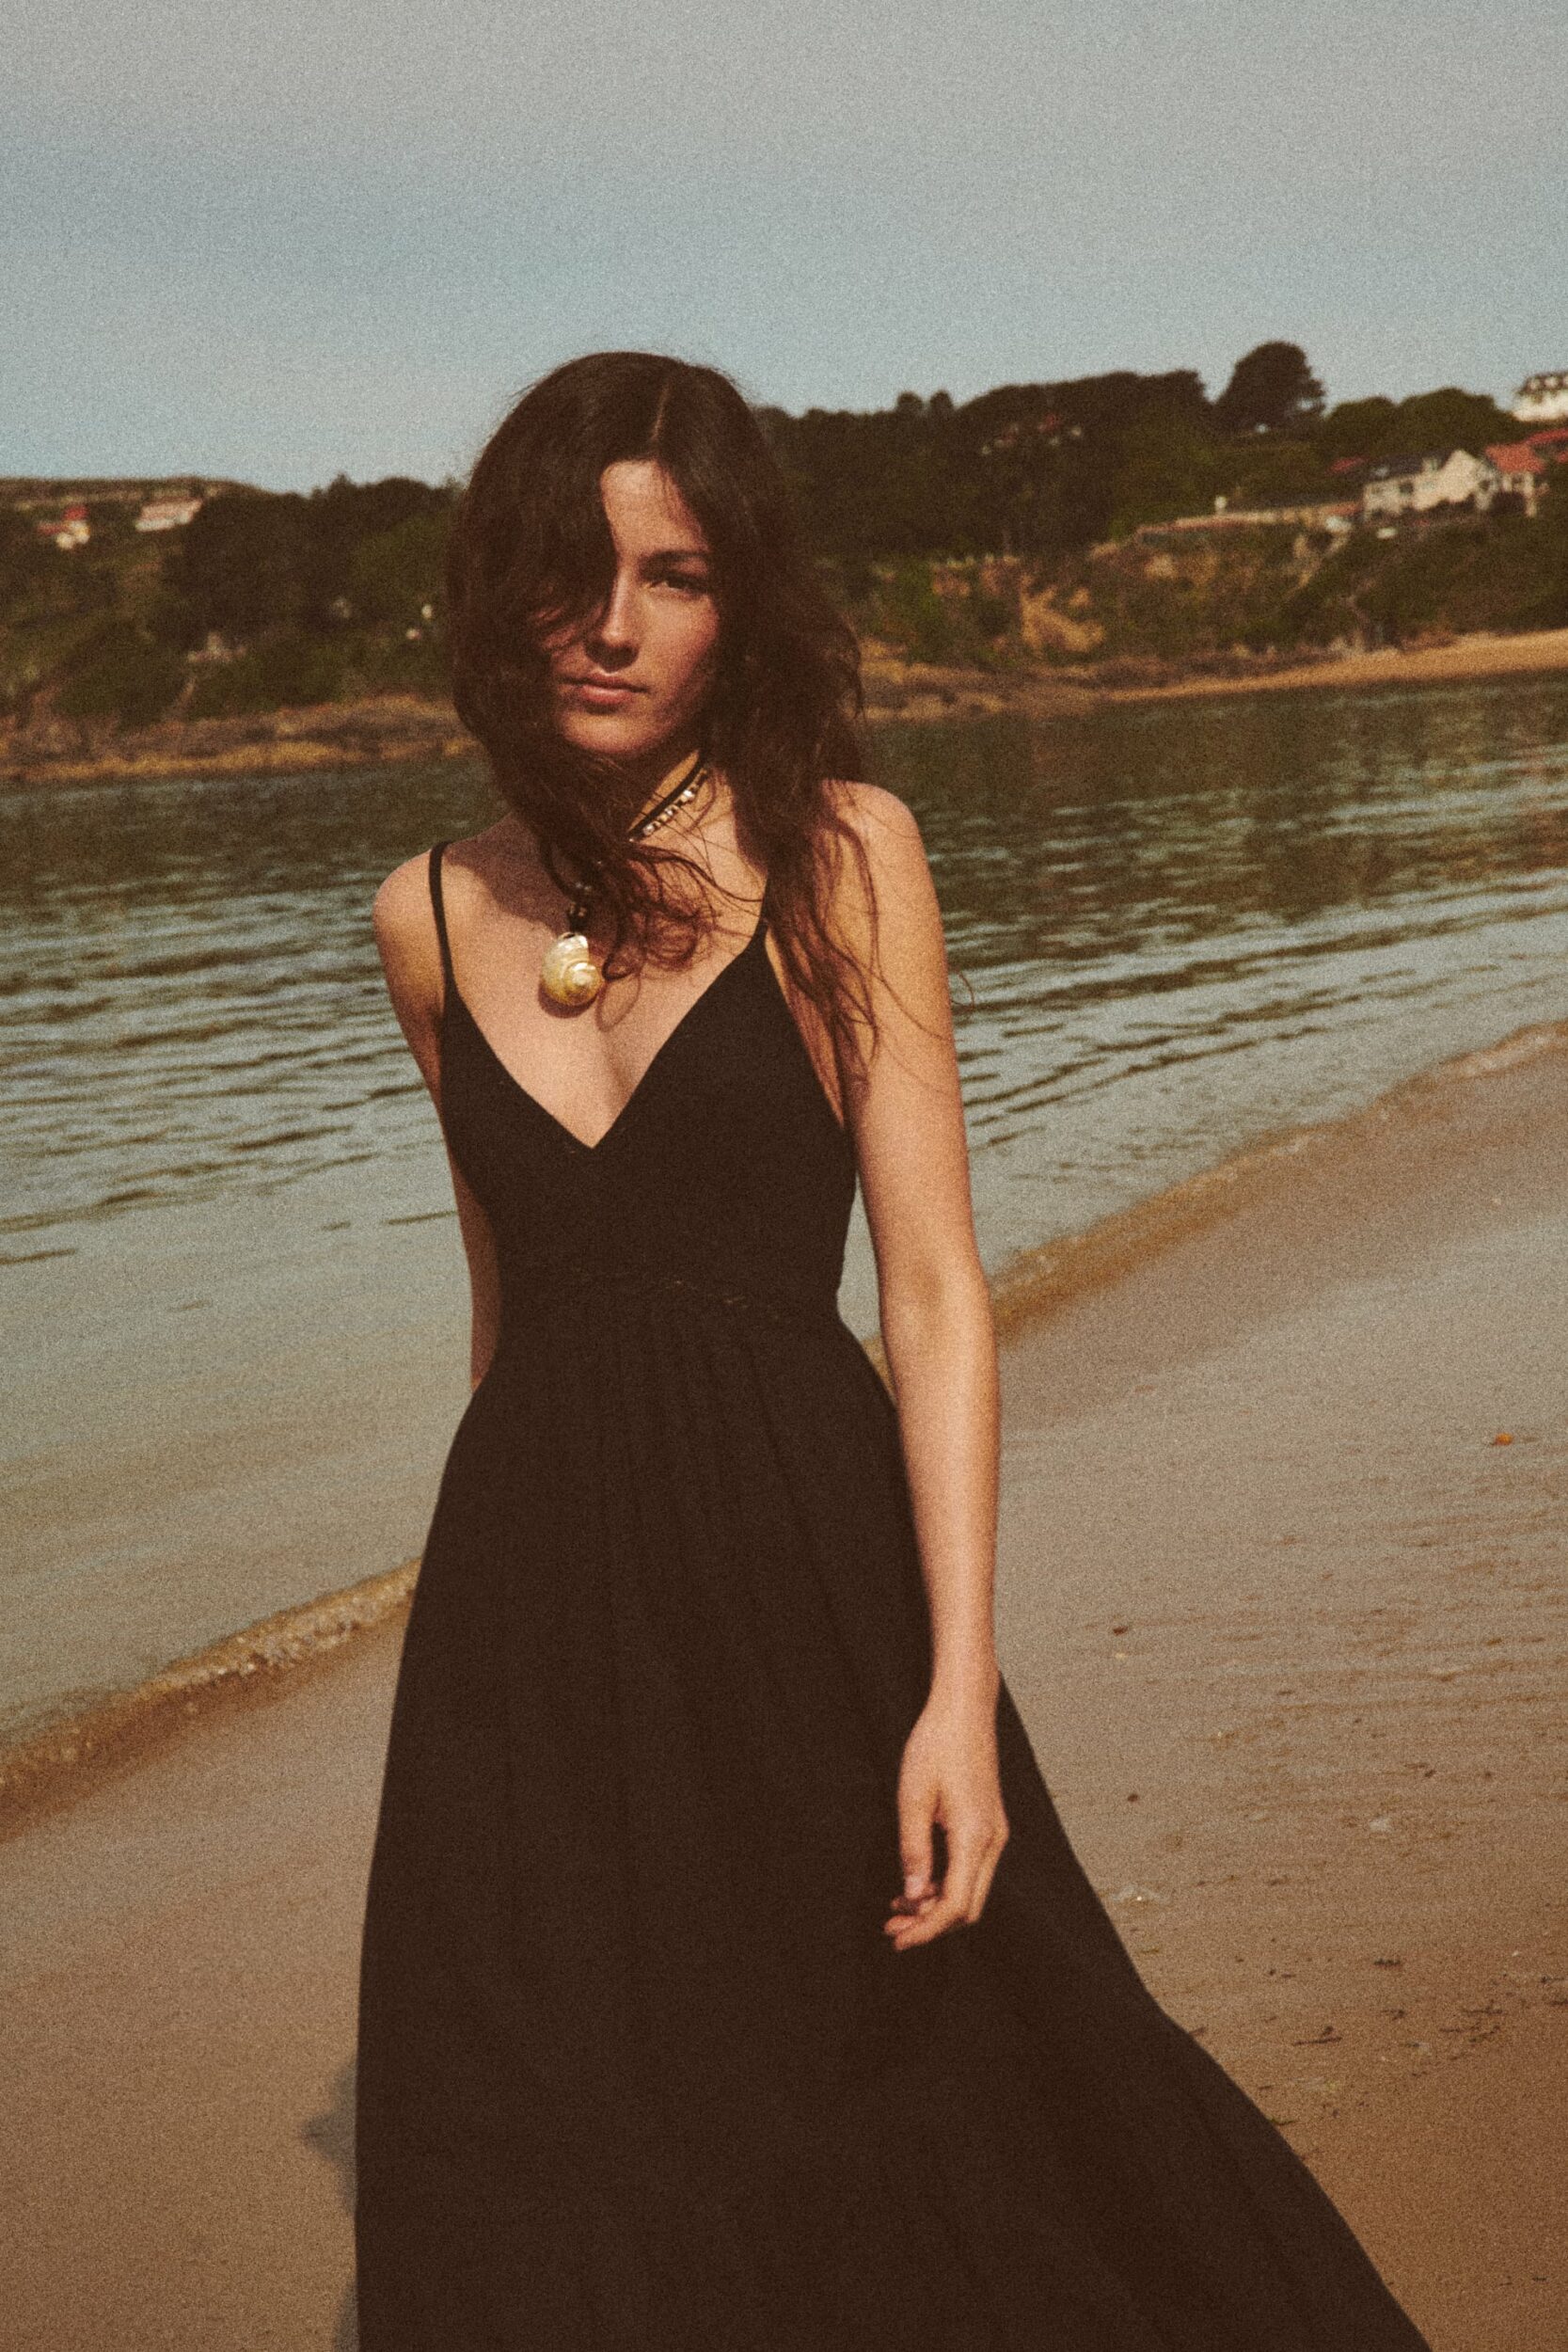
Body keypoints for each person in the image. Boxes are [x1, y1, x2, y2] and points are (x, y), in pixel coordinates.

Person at [355, 351, 1432, 2350]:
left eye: (674, 575)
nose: (613, 624)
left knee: (948, 2077)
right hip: (530, 1614)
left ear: (740, 600)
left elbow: (931, 1289)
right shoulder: (425, 913)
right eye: (572, 570)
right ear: (499, 584)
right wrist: (487, 1685)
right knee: (537, 2127)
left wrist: (956, 1691)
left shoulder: (844, 853)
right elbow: (509, 1317)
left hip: (806, 1577)